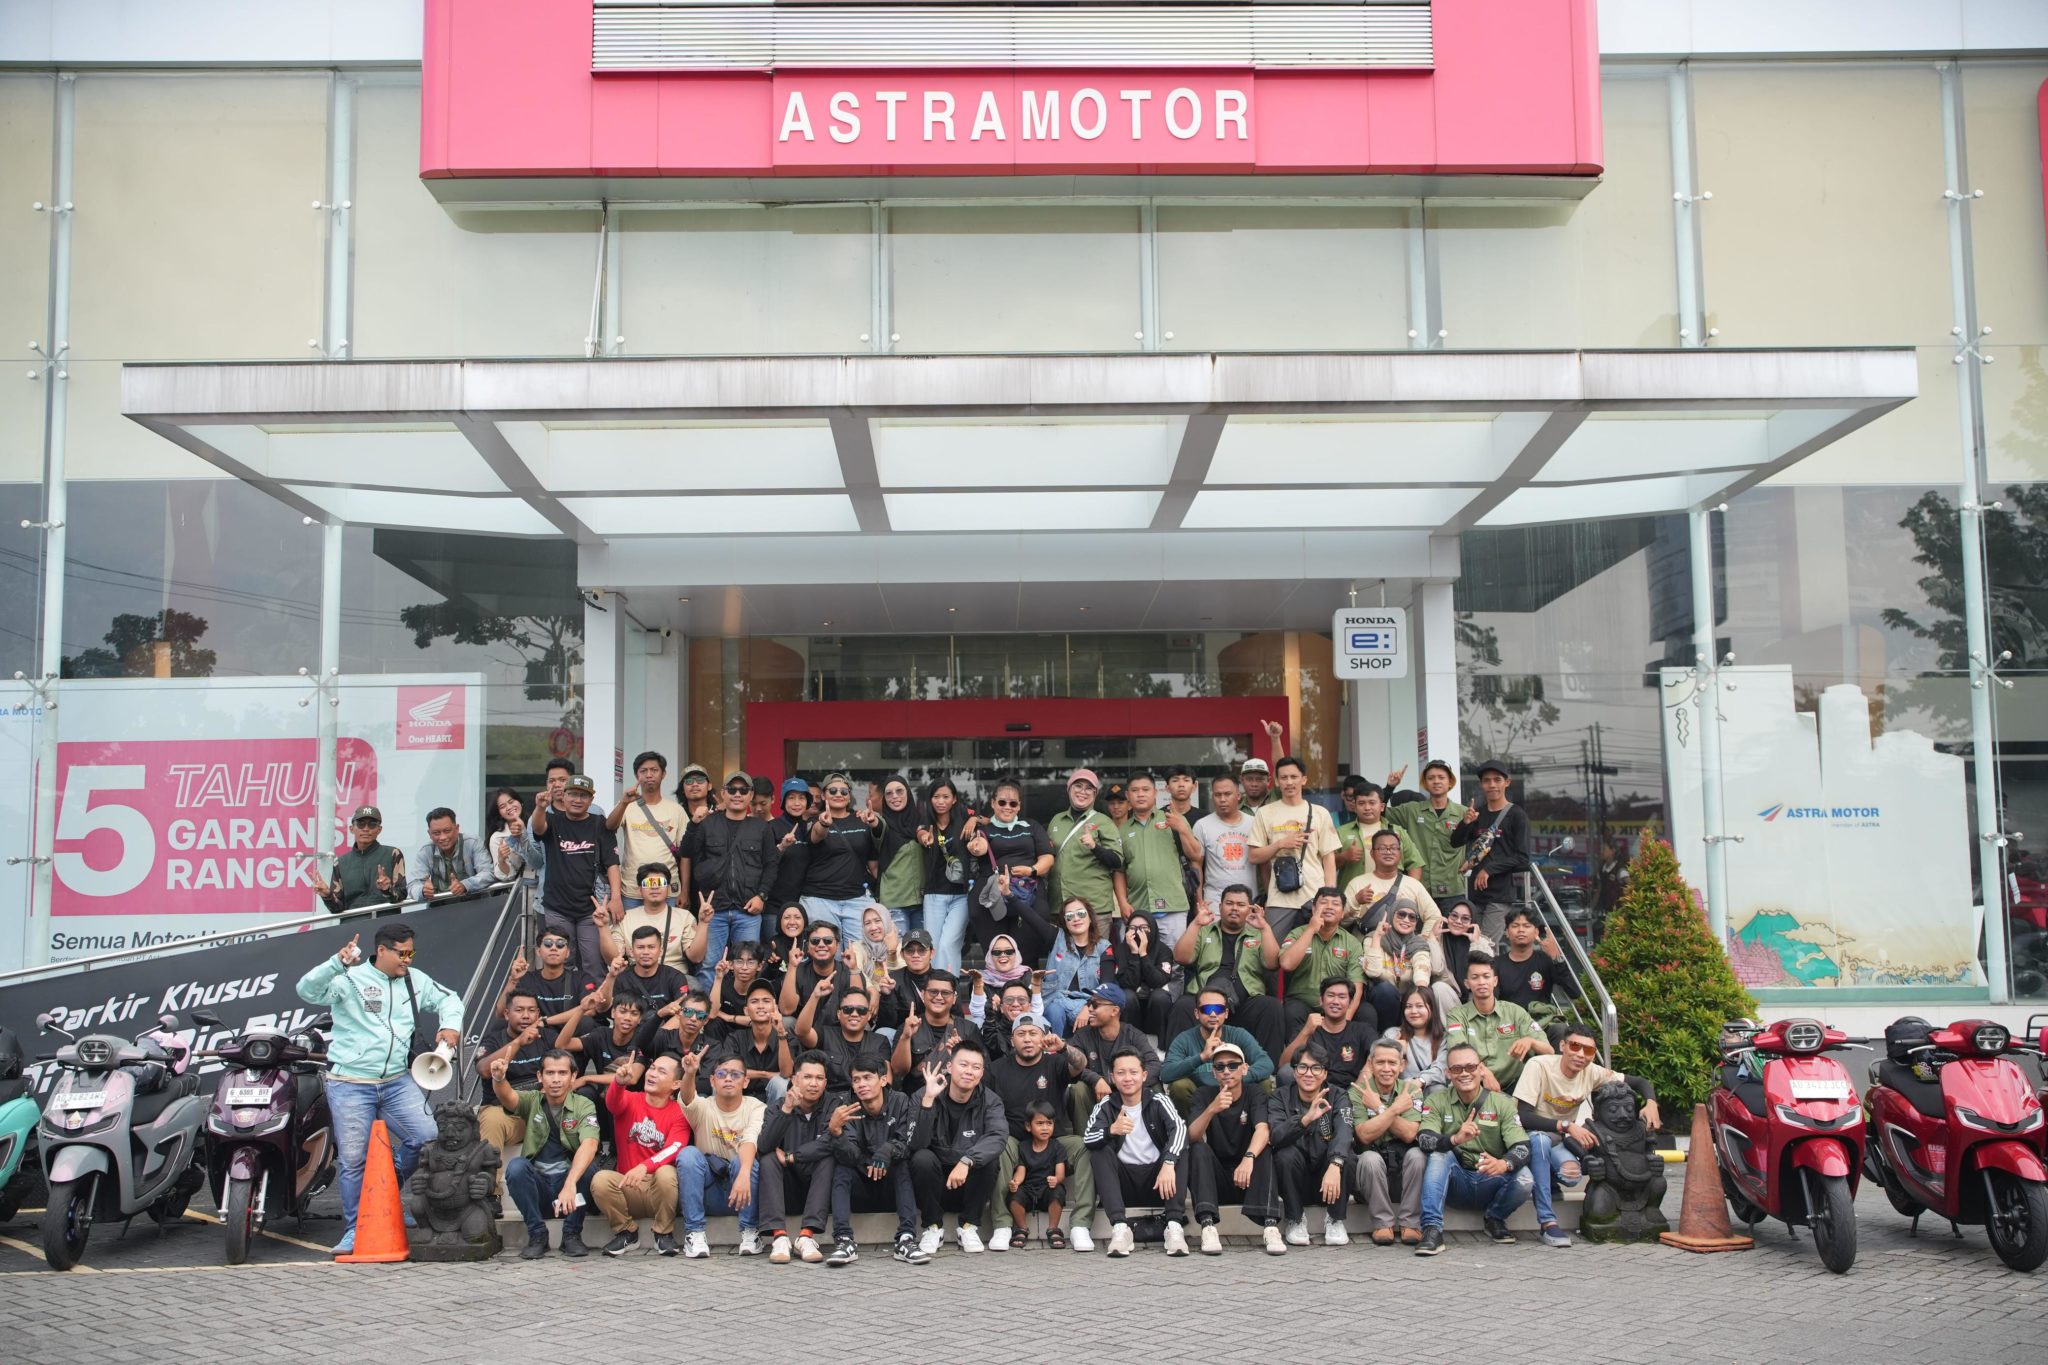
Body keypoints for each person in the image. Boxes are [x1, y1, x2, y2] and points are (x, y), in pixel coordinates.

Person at [295, 922, 463, 1254]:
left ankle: (384, 1193)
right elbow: (306, 990)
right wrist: (336, 963)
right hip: (350, 1083)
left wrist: (450, 1026)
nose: (408, 960)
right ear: (382, 951)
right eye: (402, 954)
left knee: (426, 1136)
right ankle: (355, 1228)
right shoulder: (348, 978)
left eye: (411, 953)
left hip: (397, 1081)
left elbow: (451, 999)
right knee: (354, 1160)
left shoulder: (415, 980)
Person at [1513, 1021, 1661, 1251]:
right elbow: (1523, 1117)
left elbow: (1640, 1082)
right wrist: (1568, 1126)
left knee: (1571, 1175)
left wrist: (1651, 1103)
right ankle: (1548, 1222)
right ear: (1562, 1046)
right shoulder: (1539, 1065)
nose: (1581, 1055)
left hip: (1559, 1139)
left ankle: (1550, 1177)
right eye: (1575, 1046)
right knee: (1541, 1140)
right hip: (1530, 1135)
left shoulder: (1591, 1072)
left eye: (1589, 1050)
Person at [983, 1013, 1097, 1252]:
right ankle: (1003, 1225)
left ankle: (1080, 1225)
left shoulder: (1054, 1063)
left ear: (1043, 1037)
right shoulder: (997, 1069)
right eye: (1021, 1034)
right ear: (1012, 1040)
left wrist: (1063, 1047)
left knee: (1083, 1146)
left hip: (1053, 1142)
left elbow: (1080, 1065)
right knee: (999, 1145)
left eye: (1033, 1033)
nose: (1027, 1039)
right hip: (1016, 1141)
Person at [1414, 1042, 1534, 1256]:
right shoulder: (1436, 1100)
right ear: (1448, 1073)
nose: (1464, 1073)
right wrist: (1454, 1139)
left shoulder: (1503, 1103)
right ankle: (1432, 1229)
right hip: (1456, 1180)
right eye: (1457, 1069)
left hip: (1492, 1177)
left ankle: (1495, 1218)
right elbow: (1424, 1139)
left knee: (1525, 1177)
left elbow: (1523, 1146)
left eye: (1470, 1067)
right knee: (1439, 1156)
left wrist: (1504, 1163)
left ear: (1481, 1069)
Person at [494, 1048, 601, 1259]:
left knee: (589, 1167)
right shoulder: (532, 1100)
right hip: (539, 1188)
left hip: (570, 1192)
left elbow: (590, 1144)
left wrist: (569, 1184)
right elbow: (508, 1097)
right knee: (516, 1167)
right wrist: (499, 1078)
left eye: (562, 1073)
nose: (556, 1079)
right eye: (550, 1073)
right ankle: (537, 1234)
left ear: (573, 1076)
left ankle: (571, 1234)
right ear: (540, 1076)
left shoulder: (583, 1104)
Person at [1083, 1050, 1191, 1257]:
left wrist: (1168, 1163)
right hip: (1124, 1185)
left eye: (1133, 1072)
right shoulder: (1106, 1105)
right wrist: (1111, 1130)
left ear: (1144, 1075)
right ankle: (1120, 1229)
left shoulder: (1159, 1100)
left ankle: (1174, 1226)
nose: (1127, 1078)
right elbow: (1088, 1137)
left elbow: (1179, 1129)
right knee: (1099, 1151)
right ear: (1112, 1077)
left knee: (1180, 1150)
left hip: (1159, 1183)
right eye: (1121, 1073)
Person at [909, 1038, 1008, 1256]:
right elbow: (916, 1143)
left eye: (976, 1067)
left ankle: (968, 1226)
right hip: (934, 1184)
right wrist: (928, 1101)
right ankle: (933, 1227)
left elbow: (997, 1136)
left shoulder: (990, 1100)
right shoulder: (924, 1094)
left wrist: (967, 1161)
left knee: (989, 1160)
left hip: (968, 1183)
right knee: (921, 1158)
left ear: (982, 1073)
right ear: (949, 1067)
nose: (969, 1071)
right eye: (963, 1065)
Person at [681, 771, 781, 986]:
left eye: (743, 790)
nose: (737, 794)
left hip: (747, 909)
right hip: (713, 909)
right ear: (723, 794)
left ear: (750, 795)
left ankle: (745, 1006)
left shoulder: (761, 828)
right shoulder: (707, 824)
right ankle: (708, 1007)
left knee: (748, 965)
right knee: (709, 964)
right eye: (732, 790)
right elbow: (687, 852)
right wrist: (694, 823)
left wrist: (762, 896)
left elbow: (771, 865)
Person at [828, 1057, 931, 1265]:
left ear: (883, 1080)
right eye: (856, 1080)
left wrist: (887, 1150)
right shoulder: (846, 1106)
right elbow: (848, 1154)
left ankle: (906, 1239)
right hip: (861, 1184)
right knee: (841, 1168)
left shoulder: (900, 1101)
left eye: (867, 1078)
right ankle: (844, 1240)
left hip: (891, 1187)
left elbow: (908, 1143)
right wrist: (837, 1133)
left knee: (901, 1165)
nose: (861, 1084)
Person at [1186, 1040, 1282, 1255]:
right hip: (1217, 1180)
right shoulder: (1204, 1095)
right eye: (1220, 1067)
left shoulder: (1254, 1092)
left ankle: (1270, 1227)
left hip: (1249, 1177)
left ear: (1244, 1068)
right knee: (1198, 1149)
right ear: (1214, 1072)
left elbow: (1263, 1130)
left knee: (1264, 1148)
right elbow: (1191, 1136)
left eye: (1233, 1065)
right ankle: (1208, 1227)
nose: (1226, 1071)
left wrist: (1248, 1158)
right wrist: (1211, 1109)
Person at [1168, 884, 1285, 1060]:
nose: (1234, 908)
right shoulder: (1204, 930)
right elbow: (1181, 957)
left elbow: (1272, 964)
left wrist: (1265, 928)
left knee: (1272, 1007)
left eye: (1241, 904)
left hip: (1245, 1005)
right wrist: (1196, 923)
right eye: (1229, 903)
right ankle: (1177, 1065)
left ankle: (1267, 1069)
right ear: (1220, 907)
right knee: (1183, 1005)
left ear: (1250, 909)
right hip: (1207, 1005)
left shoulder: (1258, 934)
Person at [591, 1054, 692, 1256]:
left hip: (661, 1191)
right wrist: (619, 1083)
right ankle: (626, 1232)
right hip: (629, 1187)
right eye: (652, 1068)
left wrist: (644, 1166)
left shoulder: (679, 1112)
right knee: (600, 1179)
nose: (652, 1074)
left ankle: (663, 1233)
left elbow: (674, 1148)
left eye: (661, 1071)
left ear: (676, 1084)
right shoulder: (630, 1099)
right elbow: (612, 1103)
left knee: (666, 1172)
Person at [529, 774, 623, 985]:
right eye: (572, 794)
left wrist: (616, 897)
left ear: (591, 799)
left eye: (583, 796)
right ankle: (564, 1003)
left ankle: (595, 1004)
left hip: (591, 909)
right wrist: (540, 808)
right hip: (557, 907)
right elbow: (538, 829)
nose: (577, 800)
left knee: (593, 963)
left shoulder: (599, 824)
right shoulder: (553, 821)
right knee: (562, 962)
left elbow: (612, 863)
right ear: (564, 796)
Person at [676, 1048, 768, 1257]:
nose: (728, 1079)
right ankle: (695, 1233)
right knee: (688, 1155)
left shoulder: (756, 1107)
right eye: (721, 1074)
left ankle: (750, 1232)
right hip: (709, 1189)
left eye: (735, 1074)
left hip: (743, 1188)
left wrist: (744, 1173)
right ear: (712, 1080)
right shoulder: (703, 1107)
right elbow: (688, 1098)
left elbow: (750, 1140)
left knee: (744, 1162)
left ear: (745, 1081)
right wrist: (689, 1073)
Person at [756, 1052, 838, 1263]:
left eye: (819, 1078)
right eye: (807, 1077)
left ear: (825, 1082)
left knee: (828, 1158)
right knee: (768, 1158)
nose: (814, 1084)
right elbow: (764, 1146)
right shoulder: (778, 1106)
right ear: (794, 1079)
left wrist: (792, 1156)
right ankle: (779, 1237)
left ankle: (806, 1237)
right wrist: (787, 1109)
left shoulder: (834, 1104)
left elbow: (830, 1142)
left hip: (819, 1188)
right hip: (786, 1189)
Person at [1266, 1048, 1353, 1246]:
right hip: (1295, 1182)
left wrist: (1335, 1163)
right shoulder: (1279, 1097)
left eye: (1316, 1068)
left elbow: (1345, 1131)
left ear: (1325, 1073)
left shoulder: (1338, 1095)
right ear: (1294, 1071)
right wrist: (1304, 1120)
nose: (1308, 1073)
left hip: (1330, 1181)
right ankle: (1295, 1219)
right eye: (1303, 1067)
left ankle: (1335, 1219)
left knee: (1346, 1155)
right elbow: (1276, 1136)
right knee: (1284, 1155)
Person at [965, 778, 1056, 964]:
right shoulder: (984, 829)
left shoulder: (1031, 826)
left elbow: (1047, 858)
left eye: (1013, 803)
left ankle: (1026, 982)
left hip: (1029, 893)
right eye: (1002, 802)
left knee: (1026, 957)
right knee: (997, 957)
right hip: (991, 897)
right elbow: (979, 846)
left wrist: (1031, 870)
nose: (1007, 807)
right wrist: (975, 846)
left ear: (1019, 806)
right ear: (993, 803)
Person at [1247, 757, 1340, 940]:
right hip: (1279, 898)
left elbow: (1329, 858)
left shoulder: (1320, 813)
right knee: (1273, 951)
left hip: (1314, 896)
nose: (1289, 782)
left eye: (1294, 777)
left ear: (1303, 780)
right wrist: (1280, 844)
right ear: (1277, 782)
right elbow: (1254, 856)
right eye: (1284, 778)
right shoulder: (1265, 813)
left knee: (1314, 949)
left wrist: (1328, 897)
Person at [1350, 1038, 1427, 1245]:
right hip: (1370, 1179)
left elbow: (1409, 1133)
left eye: (1392, 1063)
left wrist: (1379, 1109)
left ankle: (1410, 1223)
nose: (1386, 1068)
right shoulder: (1358, 1092)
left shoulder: (1412, 1091)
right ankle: (1382, 1224)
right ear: (1371, 1063)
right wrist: (1393, 1110)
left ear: (1402, 1065)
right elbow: (1364, 1135)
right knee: (1369, 1158)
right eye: (1380, 1062)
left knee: (1418, 1155)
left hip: (1402, 1174)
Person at [1450, 758, 1532, 941]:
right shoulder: (1477, 813)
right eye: (1487, 780)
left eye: (1497, 780)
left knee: (1486, 946)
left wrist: (1489, 869)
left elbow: (1523, 858)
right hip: (1475, 895)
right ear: (1481, 784)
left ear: (1507, 782)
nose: (1492, 785)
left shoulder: (1517, 815)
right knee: (1470, 944)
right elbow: (1455, 842)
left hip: (1500, 896)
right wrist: (1465, 823)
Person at [1062, 983, 1161, 1133]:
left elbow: (1154, 1065)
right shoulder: (1083, 1035)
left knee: (1155, 1087)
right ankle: (1085, 1141)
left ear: (1115, 1010)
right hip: (1097, 1096)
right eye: (1089, 1003)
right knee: (1079, 1089)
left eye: (1095, 1004)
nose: (1089, 1009)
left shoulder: (1133, 1035)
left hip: (1128, 1096)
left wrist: (1124, 1083)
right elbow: (1070, 1064)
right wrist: (1095, 1079)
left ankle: (1154, 1136)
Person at [1445, 954, 1552, 1092]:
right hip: (1476, 1086)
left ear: (1495, 981)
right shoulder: (1457, 1016)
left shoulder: (1515, 1012)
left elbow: (1549, 1051)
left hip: (1517, 1085)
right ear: (1467, 984)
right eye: (1475, 977)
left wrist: (1530, 1041)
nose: (1481, 982)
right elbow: (1458, 1054)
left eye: (1486, 976)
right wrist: (1484, 1073)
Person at [1160, 987, 1275, 1116]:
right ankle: (1190, 1128)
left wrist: (1235, 1077)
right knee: (1179, 1086)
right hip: (1200, 1099)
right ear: (1197, 1013)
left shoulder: (1239, 1034)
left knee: (1265, 1083)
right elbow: (1166, 1073)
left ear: (1226, 1013)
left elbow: (1266, 1064)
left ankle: (1258, 1126)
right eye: (1207, 1009)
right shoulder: (1184, 1039)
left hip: (1236, 1095)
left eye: (1219, 1009)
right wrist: (1201, 1057)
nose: (1213, 1014)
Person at [1272, 885, 1367, 1038]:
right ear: (1313, 908)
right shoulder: (1297, 933)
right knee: (1292, 1011)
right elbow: (1286, 964)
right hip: (1302, 1001)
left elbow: (1357, 986)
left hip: (1338, 1003)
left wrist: (1345, 1021)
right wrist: (1311, 929)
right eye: (1323, 902)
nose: (1329, 907)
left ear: (1342, 913)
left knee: (1367, 1013)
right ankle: (1296, 1053)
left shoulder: (1352, 943)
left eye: (1335, 904)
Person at [1117, 774, 1198, 943]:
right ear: (1127, 795)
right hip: (1138, 909)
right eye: (1135, 790)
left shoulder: (1173, 819)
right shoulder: (1122, 831)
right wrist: (1123, 903)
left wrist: (1182, 829)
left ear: (1155, 792)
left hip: (1173, 906)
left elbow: (1195, 855)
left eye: (1145, 789)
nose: (1140, 794)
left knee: (1174, 957)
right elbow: (1119, 871)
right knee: (1137, 956)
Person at [803, 773, 881, 945]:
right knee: (826, 954)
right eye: (832, 790)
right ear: (823, 796)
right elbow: (817, 835)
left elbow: (874, 865)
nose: (839, 794)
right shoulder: (815, 820)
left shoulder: (861, 821)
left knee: (861, 954)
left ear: (849, 796)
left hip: (856, 899)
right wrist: (824, 824)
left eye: (844, 791)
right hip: (820, 899)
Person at [475, 990, 550, 1168]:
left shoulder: (547, 1037)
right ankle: (490, 1184)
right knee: (491, 1120)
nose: (526, 1016)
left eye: (531, 1010)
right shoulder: (493, 1039)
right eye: (519, 1010)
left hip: (540, 1108)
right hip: (505, 1112)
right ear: (507, 1014)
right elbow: (483, 1070)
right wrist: (518, 1042)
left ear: (538, 1014)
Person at [1045, 768, 1125, 932]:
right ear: (1069, 789)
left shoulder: (1104, 821)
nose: (1083, 791)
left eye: (1089, 788)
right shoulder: (1056, 820)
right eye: (1078, 786)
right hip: (1059, 907)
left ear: (1095, 794)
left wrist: (1094, 847)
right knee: (1061, 949)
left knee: (1095, 950)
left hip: (1094, 907)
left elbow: (1117, 861)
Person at [1364, 897, 1460, 1023]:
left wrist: (1419, 993)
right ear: (1392, 915)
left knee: (1421, 995)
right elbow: (1373, 971)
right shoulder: (1372, 939)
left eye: (1412, 917)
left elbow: (1422, 967)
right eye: (1401, 914)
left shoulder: (1418, 943)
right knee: (1386, 990)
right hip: (1382, 999)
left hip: (1408, 999)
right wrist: (1377, 937)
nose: (1406, 920)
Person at [1388, 759, 1469, 907]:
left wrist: (1471, 860)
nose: (1436, 781)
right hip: (1419, 889)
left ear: (1450, 782)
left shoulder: (1463, 812)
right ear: (1425, 783)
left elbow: (1482, 840)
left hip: (1452, 891)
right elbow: (1378, 811)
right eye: (1431, 778)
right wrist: (1390, 787)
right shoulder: (1412, 810)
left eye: (1441, 777)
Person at [606, 750, 688, 898]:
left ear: (663, 774)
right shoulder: (627, 806)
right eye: (643, 771)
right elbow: (609, 827)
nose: (649, 775)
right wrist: (623, 803)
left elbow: (685, 854)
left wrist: (685, 892)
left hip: (668, 889)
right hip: (632, 889)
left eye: (654, 770)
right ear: (637, 776)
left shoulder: (677, 810)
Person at [916, 779, 978, 971]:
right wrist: (924, 837)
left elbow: (988, 820)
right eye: (936, 797)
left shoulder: (964, 819)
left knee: (948, 943)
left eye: (946, 796)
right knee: (933, 947)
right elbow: (919, 833)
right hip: (934, 895)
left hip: (961, 895)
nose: (941, 801)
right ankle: (936, 986)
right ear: (930, 799)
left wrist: (974, 819)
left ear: (954, 799)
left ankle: (949, 984)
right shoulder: (925, 823)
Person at [1279, 978, 1380, 1093]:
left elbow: (1380, 1056)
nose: (1336, 1001)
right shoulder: (1308, 1028)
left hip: (1351, 1091)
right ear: (1321, 1000)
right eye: (1331, 995)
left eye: (1342, 997)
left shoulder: (1362, 1030)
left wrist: (1356, 1091)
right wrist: (1306, 1032)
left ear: (1350, 1003)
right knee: (1286, 1072)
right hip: (1313, 1091)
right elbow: (1284, 1065)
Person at [1345, 828, 1443, 935]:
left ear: (1400, 853)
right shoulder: (1357, 883)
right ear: (1372, 853)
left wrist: (1424, 938)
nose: (1388, 852)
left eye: (1393, 848)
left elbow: (1435, 916)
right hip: (1368, 943)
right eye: (1382, 848)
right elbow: (1340, 922)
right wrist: (1356, 901)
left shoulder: (1413, 885)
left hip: (1404, 944)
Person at [796, 982, 891, 1090]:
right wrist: (815, 996)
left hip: (866, 1098)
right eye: (848, 1009)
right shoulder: (825, 1034)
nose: (854, 1014)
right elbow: (801, 1032)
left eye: (861, 1010)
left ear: (869, 1015)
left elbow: (886, 1082)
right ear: (838, 1014)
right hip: (830, 1098)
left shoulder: (880, 1041)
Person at [1042, 897, 1114, 1035]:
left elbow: (1107, 986)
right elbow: (1031, 918)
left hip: (1089, 1005)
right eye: (1069, 916)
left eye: (1081, 913)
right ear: (1065, 922)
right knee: (1054, 1010)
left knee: (1100, 1011)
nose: (1076, 919)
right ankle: (1056, 1047)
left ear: (1090, 917)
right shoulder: (1057, 938)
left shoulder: (1103, 947)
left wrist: (1088, 1007)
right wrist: (1010, 895)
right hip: (1057, 1001)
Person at [315, 805, 405, 914]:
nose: (366, 829)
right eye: (361, 824)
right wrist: (327, 895)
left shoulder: (393, 854)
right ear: (352, 829)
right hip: (353, 922)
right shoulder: (340, 862)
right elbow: (337, 908)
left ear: (379, 829)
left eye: (372, 824)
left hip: (386, 921)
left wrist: (387, 889)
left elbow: (402, 894)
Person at [615, 865, 702, 976]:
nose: (655, 887)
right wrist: (602, 927)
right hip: (638, 978)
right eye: (648, 883)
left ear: (668, 888)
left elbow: (696, 957)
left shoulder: (684, 917)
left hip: (676, 977)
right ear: (640, 889)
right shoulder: (626, 918)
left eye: (660, 882)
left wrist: (704, 923)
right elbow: (614, 957)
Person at [1337, 784, 1423, 896]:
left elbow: (1415, 864)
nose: (1367, 808)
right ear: (1355, 807)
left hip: (1392, 898)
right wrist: (1344, 856)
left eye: (1372, 803)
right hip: (1353, 897)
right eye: (1361, 803)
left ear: (1382, 807)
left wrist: (1410, 891)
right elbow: (1326, 866)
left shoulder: (1398, 832)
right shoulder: (1341, 832)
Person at [498, 928, 593, 1028]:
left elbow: (590, 1009)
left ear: (567, 953)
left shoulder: (581, 978)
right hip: (536, 1034)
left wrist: (546, 1021)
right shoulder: (527, 979)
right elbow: (501, 1013)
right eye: (548, 943)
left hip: (569, 1034)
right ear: (538, 951)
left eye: (560, 944)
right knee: (501, 1025)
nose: (553, 948)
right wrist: (513, 980)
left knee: (586, 1022)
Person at [1494, 907, 1577, 1021]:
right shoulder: (1496, 964)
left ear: (1536, 932)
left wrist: (1556, 958)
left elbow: (1574, 992)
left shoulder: (1546, 960)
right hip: (1509, 1023)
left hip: (1542, 1023)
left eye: (1527, 926)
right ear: (1507, 932)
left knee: (1560, 1029)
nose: (1521, 930)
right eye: (1515, 926)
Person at [892, 968, 968, 1091]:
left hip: (954, 1096)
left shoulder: (968, 1029)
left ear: (954, 998)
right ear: (923, 995)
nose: (939, 997)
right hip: (916, 1097)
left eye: (945, 993)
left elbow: (978, 1071)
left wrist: (959, 1053)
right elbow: (898, 1071)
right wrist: (906, 1037)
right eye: (933, 992)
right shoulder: (907, 1027)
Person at [1005, 1103, 1067, 1248]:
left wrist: (1056, 1179)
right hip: (1028, 1189)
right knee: (1013, 1195)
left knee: (1058, 1191)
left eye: (1049, 1123)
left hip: (1047, 1189)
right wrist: (1015, 1182)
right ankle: (1021, 1228)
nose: (1045, 1128)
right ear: (1028, 1126)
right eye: (1040, 1123)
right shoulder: (1023, 1146)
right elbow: (1021, 1170)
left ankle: (1053, 1229)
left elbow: (1060, 1172)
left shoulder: (1057, 1147)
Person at [1192, 775, 1257, 911]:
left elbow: (1264, 865)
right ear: (1212, 796)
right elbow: (1196, 865)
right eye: (1218, 795)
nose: (1222, 799)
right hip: (1214, 902)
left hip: (1249, 900)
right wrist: (1199, 902)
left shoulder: (1254, 823)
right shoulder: (1202, 825)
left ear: (1238, 795)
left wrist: (1267, 898)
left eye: (1227, 794)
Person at [873, 776, 926, 939]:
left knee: (921, 950)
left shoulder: (922, 823)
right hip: (894, 902)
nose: (894, 796)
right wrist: (872, 820)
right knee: (896, 951)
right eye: (888, 793)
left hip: (922, 902)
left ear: (908, 793)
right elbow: (877, 826)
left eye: (899, 791)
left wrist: (975, 817)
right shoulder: (884, 824)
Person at [1111, 910, 1178, 1038]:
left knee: (1160, 996)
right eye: (1133, 928)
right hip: (1131, 1006)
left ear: (1152, 928)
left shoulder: (1163, 950)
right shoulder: (1121, 950)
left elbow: (1158, 982)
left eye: (1143, 928)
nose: (1138, 932)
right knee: (1127, 996)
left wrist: (1143, 954)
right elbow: (1128, 983)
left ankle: (1161, 1043)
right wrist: (1134, 954)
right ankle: (1128, 1040)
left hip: (1155, 1005)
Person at [728, 980, 795, 1105]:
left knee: (781, 1083)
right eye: (754, 1001)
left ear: (775, 1008)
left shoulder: (787, 1038)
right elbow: (730, 1071)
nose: (760, 1006)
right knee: (722, 1081)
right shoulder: (735, 1038)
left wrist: (781, 1032)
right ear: (746, 1011)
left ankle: (777, 1118)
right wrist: (766, 1074)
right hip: (741, 1101)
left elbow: (786, 1073)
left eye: (766, 1001)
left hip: (774, 1103)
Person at [779, 917, 854, 1020]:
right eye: (815, 941)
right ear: (808, 947)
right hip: (803, 1027)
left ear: (837, 945)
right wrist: (792, 966)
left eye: (828, 940)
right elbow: (786, 1010)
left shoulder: (847, 970)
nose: (821, 945)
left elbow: (859, 1007)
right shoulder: (797, 971)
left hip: (840, 1028)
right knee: (786, 1021)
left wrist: (854, 969)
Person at [410, 806, 492, 901]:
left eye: (447, 831)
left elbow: (488, 873)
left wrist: (465, 885)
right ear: (429, 834)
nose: (443, 837)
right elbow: (412, 885)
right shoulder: (425, 851)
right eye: (436, 833)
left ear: (457, 829)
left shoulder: (473, 842)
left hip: (476, 904)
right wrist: (422, 891)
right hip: (440, 907)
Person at [614, 923, 695, 1016]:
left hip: (666, 1025)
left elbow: (682, 1015)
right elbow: (610, 1011)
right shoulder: (621, 978)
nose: (646, 952)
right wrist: (611, 977)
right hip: (631, 1025)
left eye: (651, 947)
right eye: (640, 947)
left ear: (661, 951)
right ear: (631, 952)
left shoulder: (675, 977)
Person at [765, 778, 814, 924]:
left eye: (801, 798)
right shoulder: (771, 827)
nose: (797, 803)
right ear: (783, 801)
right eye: (791, 798)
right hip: (774, 907)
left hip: (806, 905)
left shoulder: (812, 828)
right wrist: (782, 846)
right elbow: (764, 863)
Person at [1388, 983, 1450, 1088]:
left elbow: (1442, 1068)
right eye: (1408, 1006)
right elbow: (1383, 1071)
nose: (1413, 1011)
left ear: (1431, 1008)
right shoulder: (1392, 1034)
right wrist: (1396, 1053)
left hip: (1433, 1093)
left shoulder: (1443, 1038)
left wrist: (1421, 1080)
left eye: (1420, 1006)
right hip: (1401, 1091)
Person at [1434, 899, 1495, 999]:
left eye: (1465, 918)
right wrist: (1432, 939)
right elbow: (1435, 969)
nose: (1458, 921)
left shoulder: (1482, 943)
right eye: (1454, 916)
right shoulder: (1437, 939)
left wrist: (1475, 944)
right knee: (1439, 988)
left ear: (1472, 922)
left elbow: (1484, 974)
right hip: (1449, 999)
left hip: (1474, 999)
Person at [486, 786, 537, 889]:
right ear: (499, 813)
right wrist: (501, 860)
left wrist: (523, 834)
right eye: (502, 806)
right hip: (519, 891)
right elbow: (507, 876)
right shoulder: (497, 837)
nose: (509, 807)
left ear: (520, 802)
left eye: (511, 801)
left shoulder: (537, 824)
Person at [675, 761, 715, 826]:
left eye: (700, 780)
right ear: (682, 789)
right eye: (689, 781)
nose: (695, 784)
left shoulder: (719, 812)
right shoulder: (677, 814)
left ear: (709, 786)